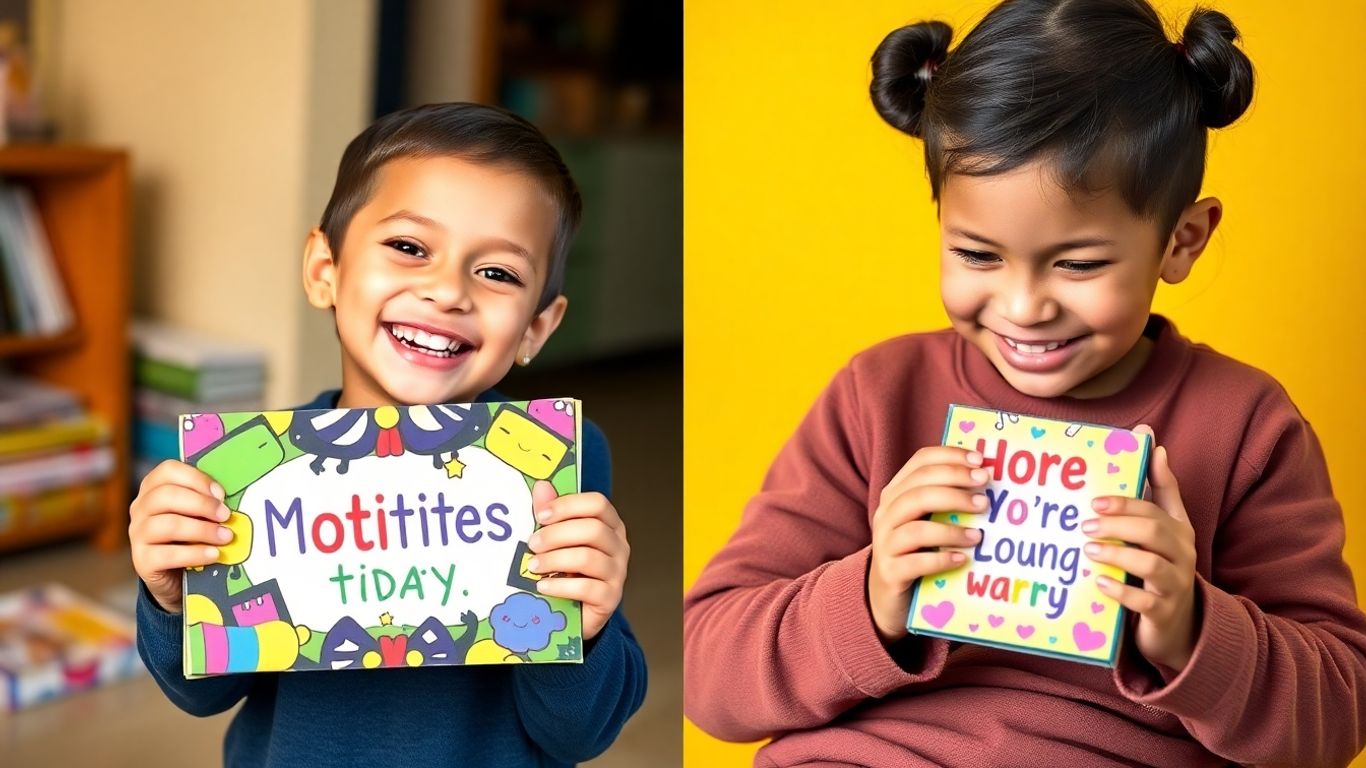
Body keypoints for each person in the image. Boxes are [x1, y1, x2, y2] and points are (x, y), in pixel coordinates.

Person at [683, 1, 1366, 765]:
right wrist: (871, 595)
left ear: (1182, 240)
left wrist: (1192, 628)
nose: (1023, 307)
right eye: (977, 255)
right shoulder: (878, 395)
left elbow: (1336, 718)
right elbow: (709, 673)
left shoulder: (1246, 426)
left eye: (1078, 264)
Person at [129, 102, 647, 767]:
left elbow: (580, 733)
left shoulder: (556, 464)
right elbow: (204, 695)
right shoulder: (249, 473)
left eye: (498, 273)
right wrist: (172, 601)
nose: (447, 291)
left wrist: (586, 625)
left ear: (536, 328)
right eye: (409, 247)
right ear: (325, 271)